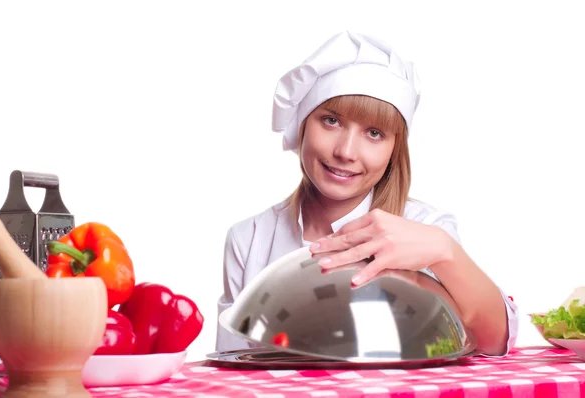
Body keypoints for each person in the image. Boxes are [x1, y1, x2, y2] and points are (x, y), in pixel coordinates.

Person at [216, 31, 518, 357]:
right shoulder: (249, 239)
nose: (346, 152)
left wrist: (444, 252)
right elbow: (234, 365)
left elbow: (494, 341)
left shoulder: (424, 227)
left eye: (374, 133)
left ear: (394, 149)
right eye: (330, 121)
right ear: (302, 124)